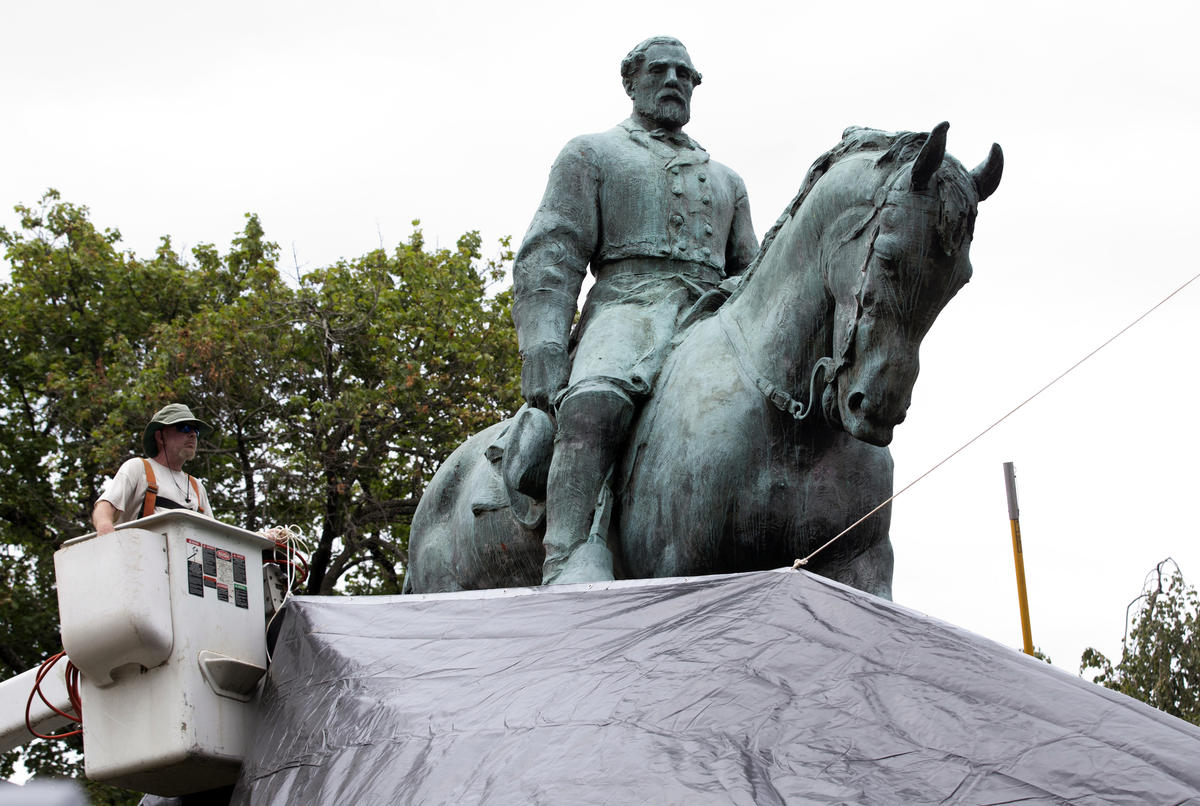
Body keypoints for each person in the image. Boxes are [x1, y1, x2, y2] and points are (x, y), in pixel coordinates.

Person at [512, 36, 758, 584]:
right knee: (596, 401)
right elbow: (551, 254)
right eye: (660, 69)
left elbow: (750, 270)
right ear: (630, 80)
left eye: (685, 73)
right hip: (628, 307)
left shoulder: (727, 181)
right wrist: (545, 345)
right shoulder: (592, 153)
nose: (674, 80)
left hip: (713, 312)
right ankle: (570, 554)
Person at [92, 403, 215, 535]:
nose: (193, 435)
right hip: (138, 553)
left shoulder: (197, 487)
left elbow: (212, 534)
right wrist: (104, 526)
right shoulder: (138, 468)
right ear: (160, 437)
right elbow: (105, 506)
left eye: (195, 431)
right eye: (184, 428)